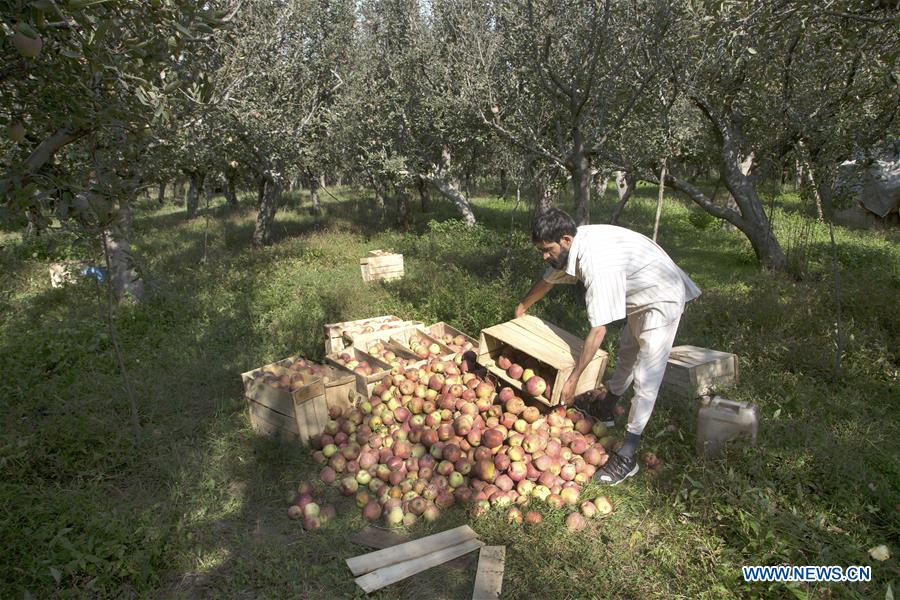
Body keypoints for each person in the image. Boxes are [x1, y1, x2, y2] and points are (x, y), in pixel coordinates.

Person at [515, 208, 700, 485]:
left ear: (565, 240)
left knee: (646, 375)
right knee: (627, 351)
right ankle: (607, 407)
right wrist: (522, 306)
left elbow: (598, 330)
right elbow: (548, 279)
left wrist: (573, 380)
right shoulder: (572, 246)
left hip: (662, 296)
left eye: (547, 250)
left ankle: (627, 454)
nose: (544, 256)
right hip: (640, 292)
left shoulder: (596, 263)